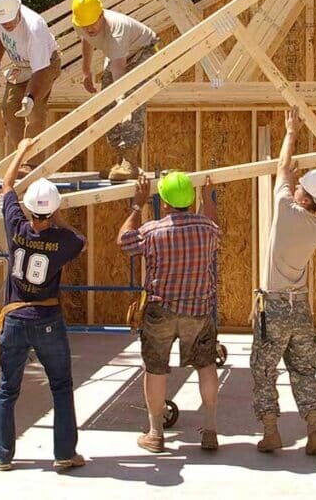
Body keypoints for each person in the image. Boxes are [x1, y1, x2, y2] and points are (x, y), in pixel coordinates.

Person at [0, 137, 87, 472]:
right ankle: (64, 454)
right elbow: (80, 240)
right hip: (46, 319)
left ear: (29, 209)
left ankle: (2, 456)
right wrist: (57, 220)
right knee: (60, 386)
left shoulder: (16, 226)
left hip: (15, 320)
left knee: (7, 390)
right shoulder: (63, 241)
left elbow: (6, 186)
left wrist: (20, 150)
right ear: (55, 210)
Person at [252, 107, 316, 456]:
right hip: (299, 306)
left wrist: (291, 132)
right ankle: (314, 428)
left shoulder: (285, 209)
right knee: (303, 369)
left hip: (273, 305)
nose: (294, 186)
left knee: (264, 369)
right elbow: (291, 178)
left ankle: (272, 431)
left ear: (303, 196)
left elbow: (283, 169)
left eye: (300, 187)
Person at [118, 171, 221, 453]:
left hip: (160, 310)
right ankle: (210, 431)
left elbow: (124, 241)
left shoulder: (153, 231)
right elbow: (212, 222)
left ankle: (155, 433)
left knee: (156, 369)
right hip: (198, 310)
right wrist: (208, 198)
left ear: (163, 202)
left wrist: (137, 205)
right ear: (190, 199)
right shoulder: (206, 229)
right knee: (206, 366)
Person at [71, 0, 158, 182]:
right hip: (117, 56)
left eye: (93, 24)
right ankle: (120, 160)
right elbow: (86, 40)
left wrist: (122, 101)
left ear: (101, 15)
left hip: (143, 51)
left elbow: (119, 71)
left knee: (131, 104)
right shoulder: (81, 23)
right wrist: (86, 71)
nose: (89, 29)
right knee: (106, 105)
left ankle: (130, 164)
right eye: (85, 26)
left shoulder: (116, 30)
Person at [0, 0, 62, 150]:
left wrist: (30, 97)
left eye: (9, 21)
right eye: (3, 22)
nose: (6, 25)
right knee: (9, 108)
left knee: (34, 111)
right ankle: (20, 157)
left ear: (18, 9)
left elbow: (40, 70)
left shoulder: (35, 28)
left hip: (46, 64)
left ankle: (32, 163)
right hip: (21, 65)